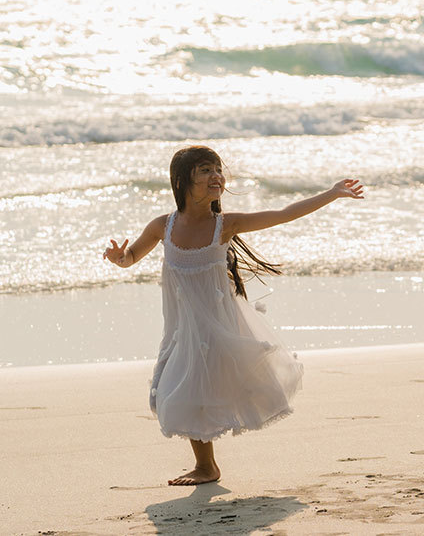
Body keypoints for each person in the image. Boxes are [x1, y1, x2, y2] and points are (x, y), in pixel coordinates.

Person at [103, 145, 365, 486]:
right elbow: (131, 259)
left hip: (218, 326)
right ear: (182, 181)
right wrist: (118, 257)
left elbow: (284, 213)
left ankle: (206, 467)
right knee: (177, 392)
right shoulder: (162, 227)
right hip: (182, 327)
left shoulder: (225, 225)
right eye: (205, 171)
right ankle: (206, 465)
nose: (216, 176)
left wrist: (332, 193)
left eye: (217, 169)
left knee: (196, 390)